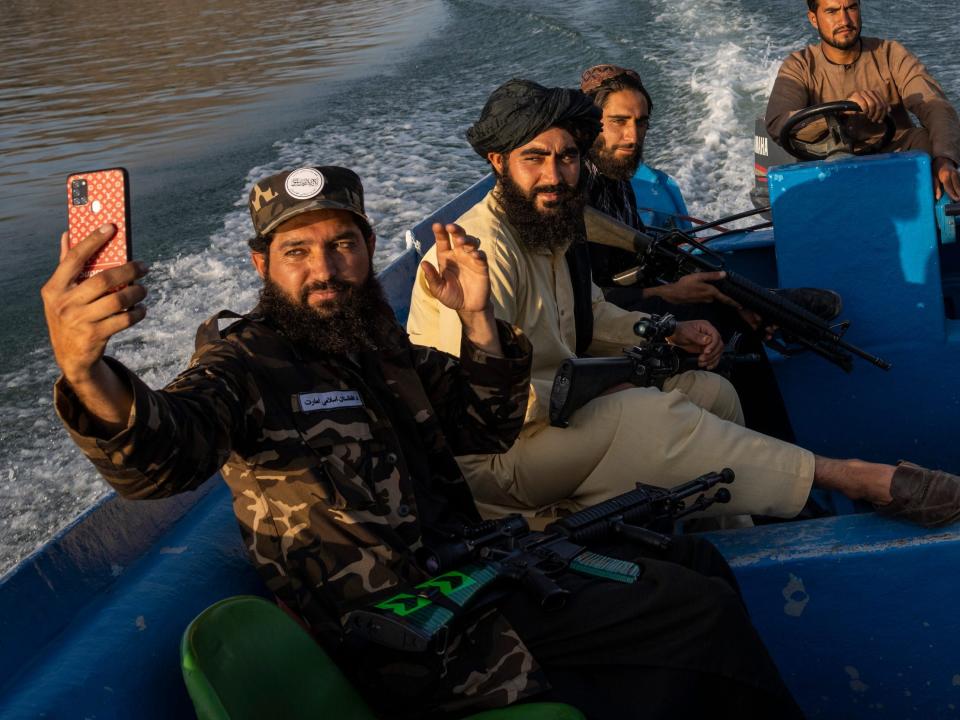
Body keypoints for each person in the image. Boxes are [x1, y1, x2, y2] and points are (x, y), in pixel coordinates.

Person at [42, 165, 805, 718]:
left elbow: (483, 423)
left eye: (342, 245)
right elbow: (163, 455)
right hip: (409, 632)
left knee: (692, 559)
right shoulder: (246, 364)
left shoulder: (375, 345)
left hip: (477, 574)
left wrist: (477, 319)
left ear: (370, 248)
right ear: (261, 265)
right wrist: (85, 369)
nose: (325, 270)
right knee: (691, 613)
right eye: (298, 252)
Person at [406, 78, 960, 530]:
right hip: (499, 457)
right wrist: (599, 391)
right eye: (536, 159)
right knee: (640, 410)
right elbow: (481, 405)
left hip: (560, 419)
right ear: (499, 162)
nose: (555, 175)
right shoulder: (478, 252)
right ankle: (851, 476)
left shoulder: (551, 226)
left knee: (711, 389)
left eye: (568, 157)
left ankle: (736, 534)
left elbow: (592, 314)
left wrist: (667, 330)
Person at [580, 63, 814, 441]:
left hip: (631, 300)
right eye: (618, 121)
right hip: (601, 323)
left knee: (724, 293)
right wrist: (666, 294)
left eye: (641, 123)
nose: (632, 136)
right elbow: (580, 301)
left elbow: (637, 260)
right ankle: (776, 452)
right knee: (719, 319)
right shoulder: (574, 189)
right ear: (591, 123)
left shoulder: (616, 178)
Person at [766, 0, 960, 201]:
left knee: (927, 142)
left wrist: (944, 159)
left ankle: (938, 220)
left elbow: (935, 105)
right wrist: (840, 112)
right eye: (832, 11)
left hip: (894, 156)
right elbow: (777, 121)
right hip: (828, 165)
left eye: (851, 8)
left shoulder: (890, 54)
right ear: (814, 19)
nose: (844, 20)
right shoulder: (800, 66)